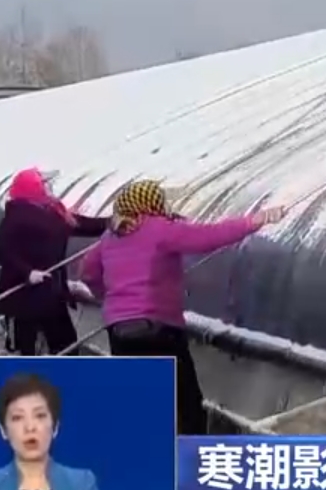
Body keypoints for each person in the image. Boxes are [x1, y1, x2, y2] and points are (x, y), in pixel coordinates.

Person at [77, 180, 283, 435]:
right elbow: (209, 237)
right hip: (158, 327)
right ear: (152, 203)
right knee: (186, 400)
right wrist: (255, 221)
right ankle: (190, 452)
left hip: (119, 330)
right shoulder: (159, 229)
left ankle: (138, 450)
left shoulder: (110, 236)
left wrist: (108, 298)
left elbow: (87, 271)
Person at [0, 169, 110, 356]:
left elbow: (84, 225)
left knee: (67, 347)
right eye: (44, 184)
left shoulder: (54, 213)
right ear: (32, 188)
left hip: (51, 295)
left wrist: (111, 223)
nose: (49, 187)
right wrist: (27, 272)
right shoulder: (17, 216)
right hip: (24, 299)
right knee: (25, 350)